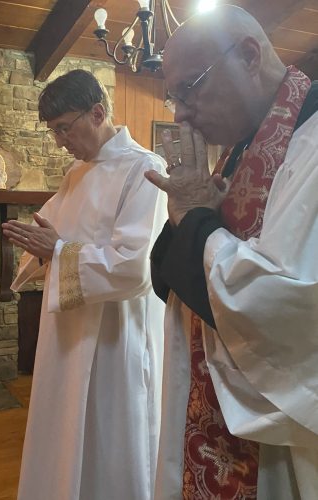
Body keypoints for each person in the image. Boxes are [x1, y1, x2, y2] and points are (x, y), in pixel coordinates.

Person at [145, 5, 318, 499]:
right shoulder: (244, 148)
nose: (178, 113)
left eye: (190, 86)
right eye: (173, 96)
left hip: (281, 445)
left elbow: (288, 311)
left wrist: (198, 219)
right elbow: (172, 275)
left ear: (247, 56)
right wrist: (193, 218)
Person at [2, 69, 168, 500]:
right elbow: (50, 239)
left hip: (115, 336)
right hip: (68, 337)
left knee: (109, 438)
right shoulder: (75, 174)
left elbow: (135, 266)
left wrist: (58, 251)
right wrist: (42, 250)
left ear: (97, 113)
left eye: (63, 128)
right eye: (53, 131)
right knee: (64, 435)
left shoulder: (145, 170)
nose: (59, 141)